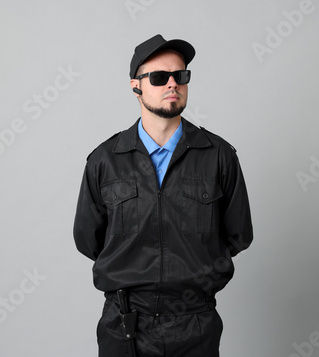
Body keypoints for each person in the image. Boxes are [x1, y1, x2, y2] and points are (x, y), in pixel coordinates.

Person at [73, 34, 253, 357]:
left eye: (180, 76)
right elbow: (88, 240)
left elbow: (238, 235)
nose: (173, 84)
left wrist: (197, 269)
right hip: (125, 327)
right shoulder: (105, 161)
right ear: (135, 86)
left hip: (195, 325)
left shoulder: (219, 156)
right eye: (159, 77)